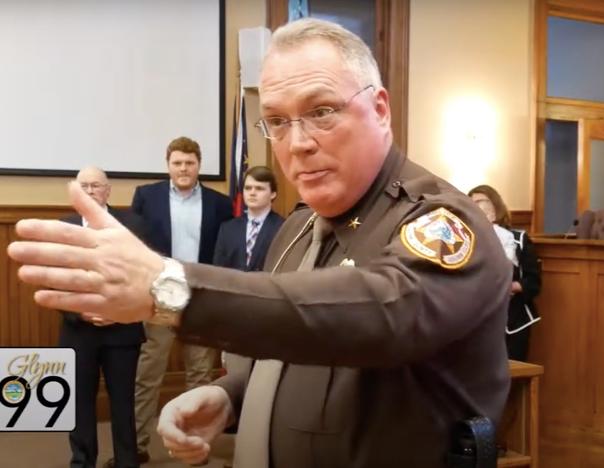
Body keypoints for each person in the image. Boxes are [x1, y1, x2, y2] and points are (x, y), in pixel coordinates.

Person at [9, 18, 511, 468]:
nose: (298, 143)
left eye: (322, 111)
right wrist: (232, 396)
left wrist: (168, 286)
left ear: (379, 109)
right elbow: (293, 341)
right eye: (276, 121)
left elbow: (380, 315)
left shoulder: (442, 221)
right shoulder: (295, 228)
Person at [119, 136, 233, 466]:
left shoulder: (219, 204)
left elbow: (223, 250)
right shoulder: (146, 196)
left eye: (190, 163)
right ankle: (138, 445)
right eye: (177, 163)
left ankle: (194, 447)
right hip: (158, 298)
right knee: (148, 374)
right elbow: (136, 245)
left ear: (199, 165)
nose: (184, 169)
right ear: (168, 164)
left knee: (199, 374)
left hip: (200, 298)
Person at [59, 166, 146, 468]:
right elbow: (55, 280)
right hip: (78, 332)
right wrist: (80, 310)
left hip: (122, 331)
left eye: (97, 185)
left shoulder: (133, 225)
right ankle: (82, 461)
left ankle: (126, 461)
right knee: (80, 403)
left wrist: (117, 311)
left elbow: (143, 279)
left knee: (123, 404)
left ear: (108, 191)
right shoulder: (64, 228)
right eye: (84, 186)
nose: (91, 191)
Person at [213, 165, 284, 381]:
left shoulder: (284, 227)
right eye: (248, 188)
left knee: (264, 376)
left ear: (272, 193)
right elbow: (219, 270)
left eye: (259, 188)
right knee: (236, 375)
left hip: (268, 312)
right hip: (234, 313)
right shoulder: (228, 228)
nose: (252, 193)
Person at [468, 184, 542, 361]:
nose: (477, 207)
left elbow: (534, 283)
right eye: (472, 203)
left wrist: (512, 286)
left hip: (514, 321)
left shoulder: (518, 240)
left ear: (495, 206)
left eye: (481, 201)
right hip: (478, 322)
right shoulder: (466, 241)